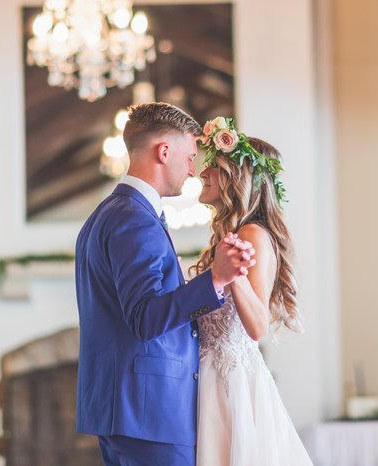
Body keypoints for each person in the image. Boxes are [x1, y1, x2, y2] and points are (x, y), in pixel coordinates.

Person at [75, 103, 256, 466]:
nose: (193, 170)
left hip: (130, 410)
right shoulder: (134, 219)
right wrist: (216, 278)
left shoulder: (108, 213)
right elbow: (144, 317)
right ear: (163, 152)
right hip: (149, 411)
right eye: (190, 157)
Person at [194, 117, 313, 465]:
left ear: (236, 178)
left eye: (213, 167)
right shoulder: (234, 236)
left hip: (231, 385)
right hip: (213, 378)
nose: (202, 173)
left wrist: (229, 274)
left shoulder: (252, 236)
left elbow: (257, 326)